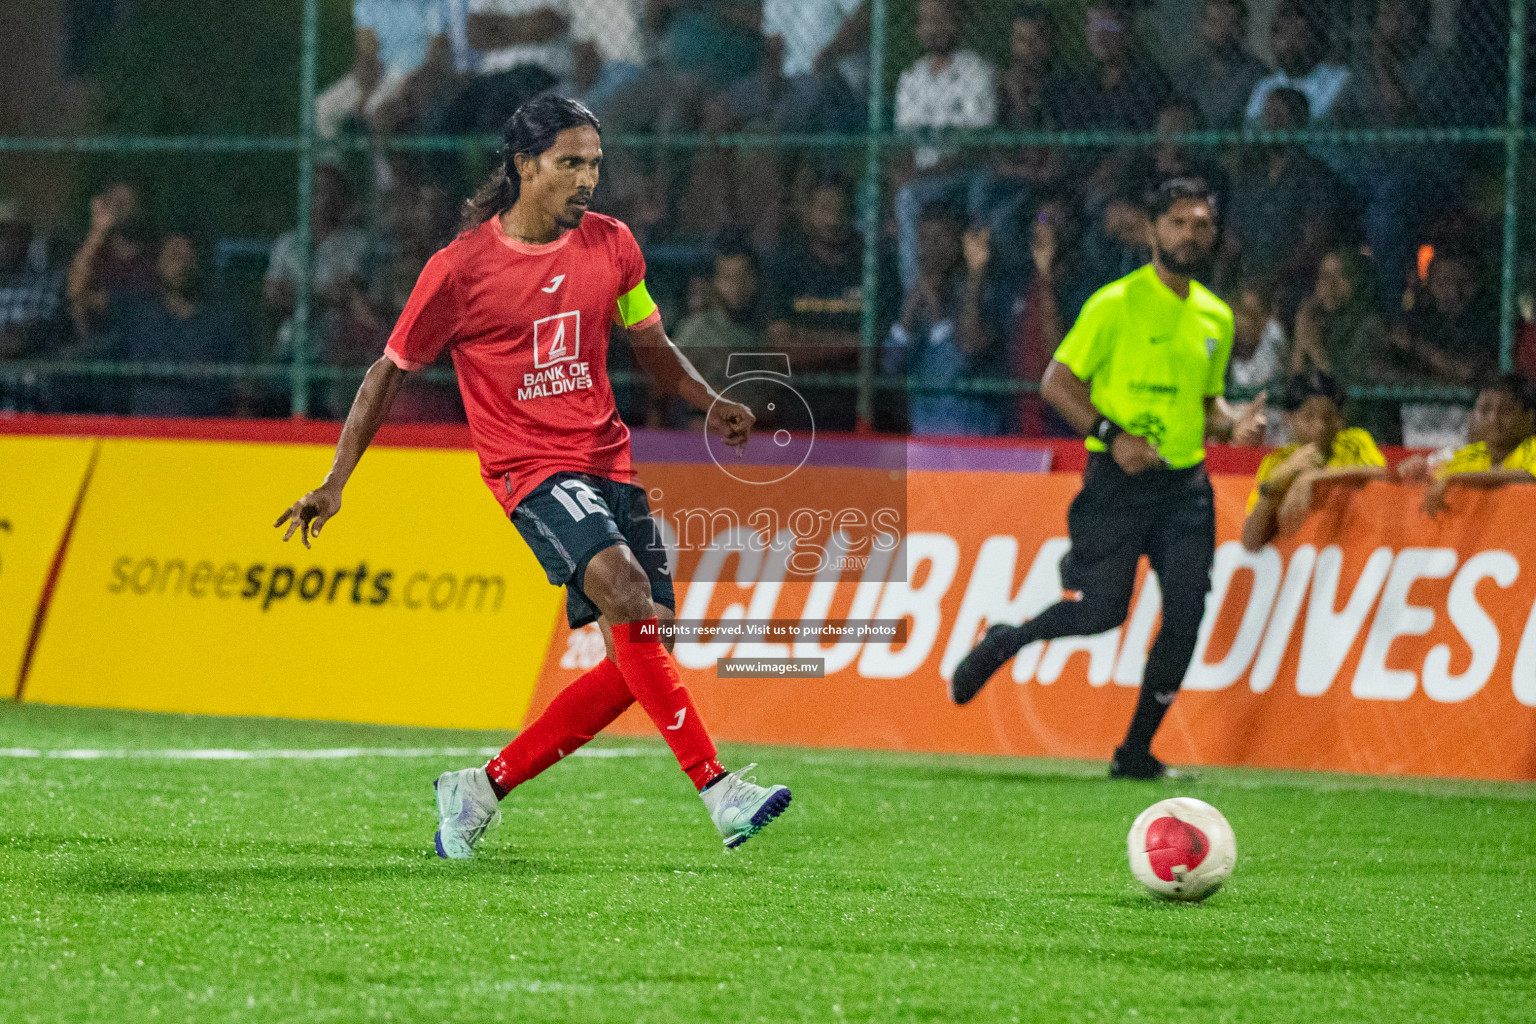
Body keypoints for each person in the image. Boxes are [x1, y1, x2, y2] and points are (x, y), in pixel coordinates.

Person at [274, 96, 790, 859]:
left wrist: (707, 402)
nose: (588, 179)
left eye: (595, 163)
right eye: (569, 162)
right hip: (530, 470)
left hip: (607, 459)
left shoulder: (614, 245)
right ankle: (719, 792)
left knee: (639, 652)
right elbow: (388, 372)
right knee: (624, 592)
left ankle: (479, 788)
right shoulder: (459, 270)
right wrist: (336, 478)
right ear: (523, 166)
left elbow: (649, 340)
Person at [947, 178, 1264, 779]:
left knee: (1187, 614)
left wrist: (1232, 424)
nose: (1190, 235)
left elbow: (1206, 403)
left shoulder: (1215, 317)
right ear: (1152, 231)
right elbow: (1056, 383)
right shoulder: (1114, 304)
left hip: (1184, 485)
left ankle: (1136, 751)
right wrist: (1112, 436)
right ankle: (1006, 640)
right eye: (1178, 222)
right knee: (1101, 612)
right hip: (1117, 483)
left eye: (1200, 224)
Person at [891, 0, 997, 291]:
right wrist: (901, 174)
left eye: (940, 19)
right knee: (886, 198)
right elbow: (902, 145)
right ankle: (907, 302)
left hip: (961, 175)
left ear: (958, 21)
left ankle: (915, 296)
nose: (933, 27)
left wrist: (921, 176)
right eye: (926, 20)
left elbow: (975, 147)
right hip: (923, 178)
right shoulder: (912, 78)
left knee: (908, 198)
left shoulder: (976, 72)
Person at [96, 233, 252, 417]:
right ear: (158, 264)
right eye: (175, 256)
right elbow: (79, 299)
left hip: (206, 437)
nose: (182, 266)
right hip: (142, 436)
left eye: (189, 258)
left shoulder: (225, 321)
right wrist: (99, 233)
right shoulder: (136, 312)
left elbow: (245, 390)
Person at [882, 209, 1008, 437]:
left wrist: (939, 314)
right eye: (924, 239)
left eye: (940, 238)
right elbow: (890, 369)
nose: (931, 247)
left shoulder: (985, 292)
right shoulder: (914, 295)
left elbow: (965, 358)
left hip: (973, 441)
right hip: (925, 443)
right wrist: (906, 318)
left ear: (961, 242)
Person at [1220, 88, 1349, 307]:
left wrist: (1269, 281)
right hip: (1246, 282)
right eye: (1269, 116)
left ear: (1299, 123)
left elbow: (1313, 245)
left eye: (1281, 117)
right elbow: (1232, 240)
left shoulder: (1314, 177)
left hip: (1291, 287)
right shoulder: (1250, 176)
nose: (1272, 124)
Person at [1241, 371, 1386, 551]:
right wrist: (1272, 485)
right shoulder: (1277, 464)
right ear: (1288, 417)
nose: (1320, 427)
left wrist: (1312, 478)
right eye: (1308, 417)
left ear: (1340, 420)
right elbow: (1251, 542)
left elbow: (1381, 473)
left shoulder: (1354, 442)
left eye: (1328, 417)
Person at [1400, 375, 1536, 518]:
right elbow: (1437, 472)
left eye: (1507, 411)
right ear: (1471, 416)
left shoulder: (1532, 447)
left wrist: (1456, 478)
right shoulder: (1469, 455)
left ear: (1530, 418)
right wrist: (1421, 469)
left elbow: (1528, 476)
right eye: (1484, 409)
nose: (1494, 419)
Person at [1244, 0, 1351, 128]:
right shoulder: (1265, 86)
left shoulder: (1338, 80)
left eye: (1298, 34)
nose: (1287, 44)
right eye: (1280, 34)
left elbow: (1320, 122)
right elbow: (1252, 127)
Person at [1174, 0, 1269, 129]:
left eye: (1230, 23)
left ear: (1243, 26)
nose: (1222, 31)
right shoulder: (1189, 73)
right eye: (1214, 23)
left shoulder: (1257, 74)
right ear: (1202, 25)